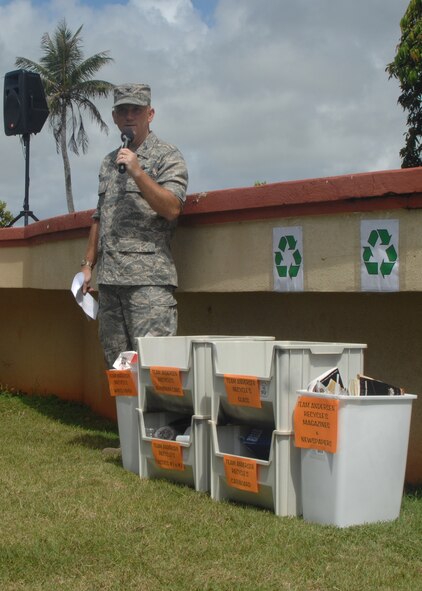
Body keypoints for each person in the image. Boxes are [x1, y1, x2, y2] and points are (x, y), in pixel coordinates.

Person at [81, 83, 188, 368]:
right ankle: (122, 416)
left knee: (154, 369)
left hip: (149, 284)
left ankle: (156, 415)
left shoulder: (168, 155)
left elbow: (172, 208)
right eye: (123, 111)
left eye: (136, 110)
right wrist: (88, 265)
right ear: (115, 117)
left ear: (150, 114)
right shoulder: (108, 163)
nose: (129, 116)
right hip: (111, 284)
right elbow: (99, 216)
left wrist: (138, 171)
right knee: (117, 370)